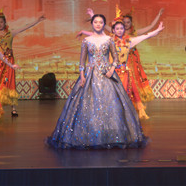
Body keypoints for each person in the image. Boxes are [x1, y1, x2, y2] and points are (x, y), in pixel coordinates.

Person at [46, 14, 147, 149]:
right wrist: (82, 76)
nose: (98, 24)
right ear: (92, 24)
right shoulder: (86, 41)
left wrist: (112, 69)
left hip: (107, 74)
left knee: (111, 105)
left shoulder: (109, 39)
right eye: (95, 22)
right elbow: (82, 61)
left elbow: (115, 58)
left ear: (104, 24)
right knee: (87, 105)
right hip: (90, 75)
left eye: (100, 22)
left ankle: (111, 135)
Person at [110, 8, 164, 120]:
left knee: (127, 92)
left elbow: (146, 35)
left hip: (125, 71)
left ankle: (128, 116)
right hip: (112, 72)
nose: (120, 30)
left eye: (121, 28)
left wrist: (157, 30)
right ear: (113, 30)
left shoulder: (129, 41)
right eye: (117, 28)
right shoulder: (109, 41)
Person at [0, 10, 45, 117]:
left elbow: (25, 27)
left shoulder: (11, 33)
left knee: (10, 83)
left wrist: (37, 21)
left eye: (1, 22)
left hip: (9, 62)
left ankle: (13, 108)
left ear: (5, 22)